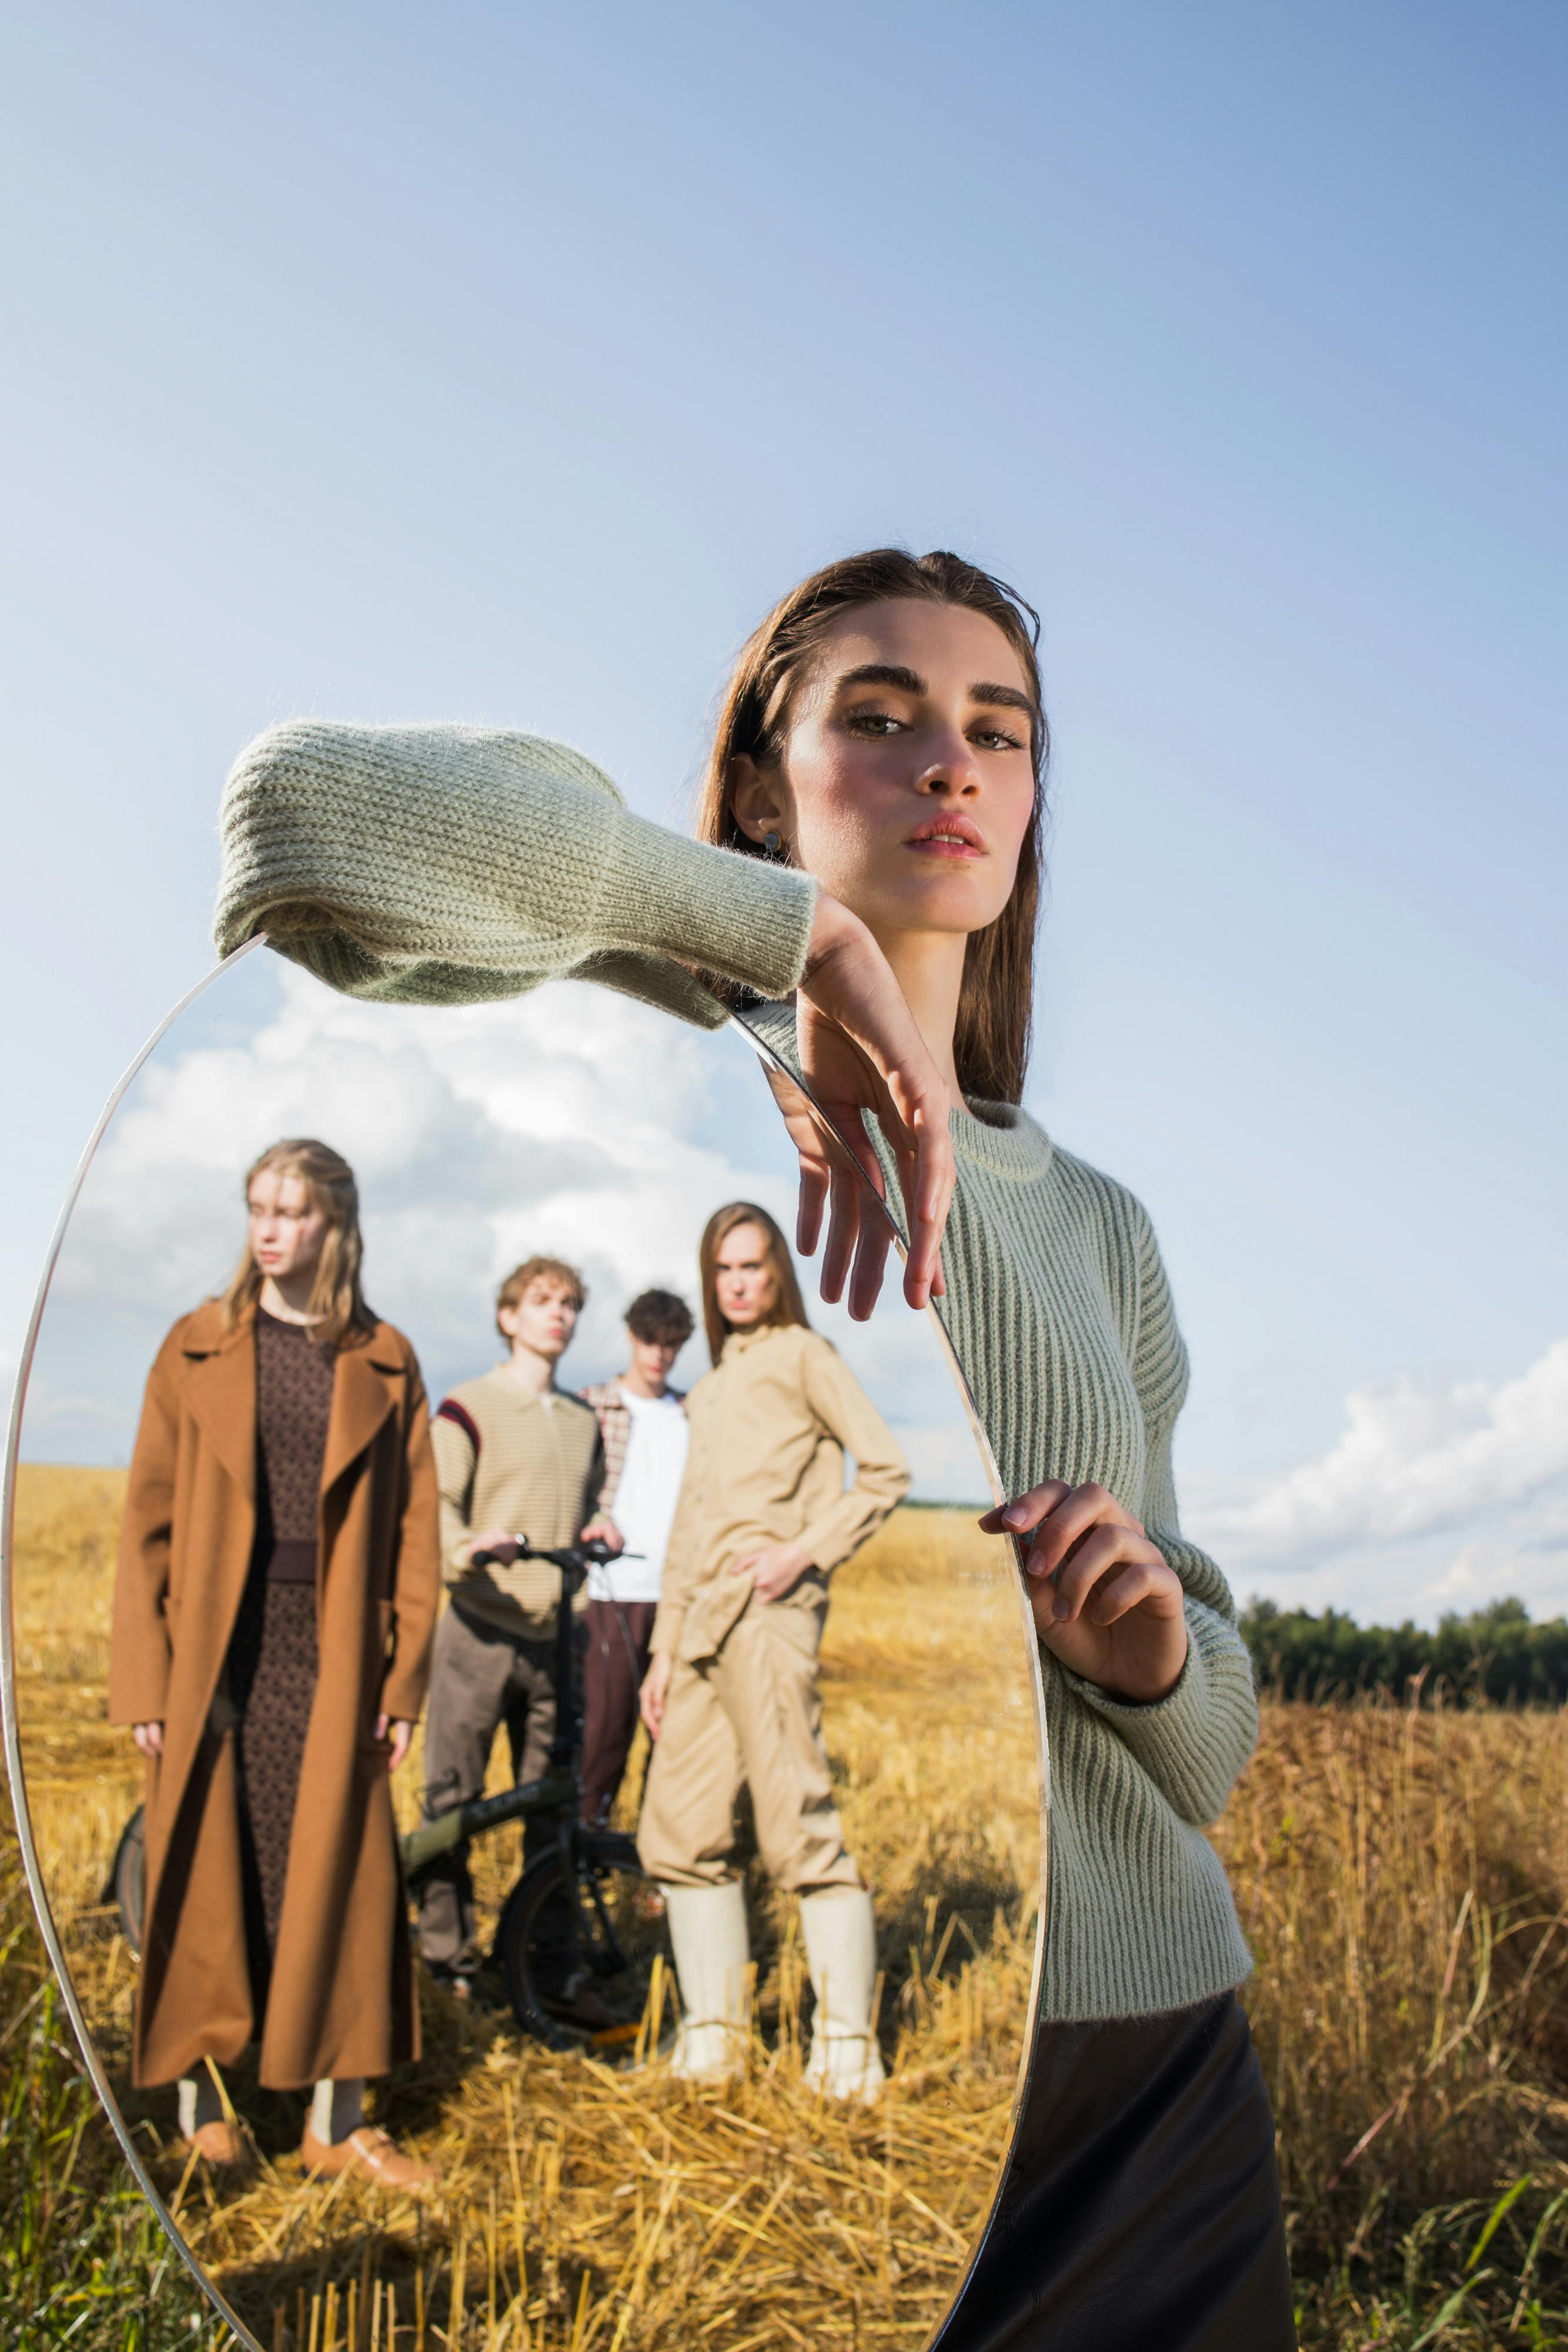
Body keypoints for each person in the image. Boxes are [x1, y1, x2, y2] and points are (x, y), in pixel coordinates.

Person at [215, 545, 1296, 2344]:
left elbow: (1210, 1754)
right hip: (902, 2225)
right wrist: (774, 935)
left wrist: (1156, 1653)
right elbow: (294, 826)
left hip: (1157, 2085)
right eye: (876, 718)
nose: (949, 764)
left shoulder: (1099, 1226)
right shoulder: (669, 1095)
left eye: (996, 730)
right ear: (753, 789)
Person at [109, 1138, 440, 2192]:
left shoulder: (384, 1356)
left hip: (334, 1649)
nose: (266, 1229)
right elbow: (144, 1527)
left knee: (338, 1875)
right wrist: (147, 1680)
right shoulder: (195, 1345)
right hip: (219, 1649)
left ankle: (334, 2124)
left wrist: (399, 1683)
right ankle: (207, 2114)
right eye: (257, 1206)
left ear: (333, 1226)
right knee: (210, 1868)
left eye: (290, 1211)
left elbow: (417, 1539)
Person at [636, 1204, 908, 2096]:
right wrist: (662, 1656)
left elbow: (884, 1470)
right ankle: (712, 2042)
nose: (740, 1283)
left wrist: (800, 1554)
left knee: (797, 1822)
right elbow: (684, 1535)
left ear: (777, 1273)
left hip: (766, 1613)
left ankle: (844, 2050)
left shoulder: (804, 1356)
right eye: (724, 1270)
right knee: (678, 1829)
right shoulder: (711, 1387)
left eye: (753, 1266)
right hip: (700, 1622)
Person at [418, 1255, 607, 2014]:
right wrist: (465, 1547)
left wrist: (599, 1528)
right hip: (477, 1630)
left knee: (553, 1812)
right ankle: (447, 1965)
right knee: (452, 1800)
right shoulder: (464, 1409)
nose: (555, 1314)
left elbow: (585, 1506)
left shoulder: (581, 1420)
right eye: (539, 1301)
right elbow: (437, 1507)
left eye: (566, 1303)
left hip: (557, 1638)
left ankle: (544, 1967)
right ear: (508, 1317)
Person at [577, 1287, 694, 1826]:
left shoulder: (694, 1414)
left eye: (671, 1344)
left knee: (673, 1734)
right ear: (631, 1336)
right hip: (611, 1594)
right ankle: (586, 1849)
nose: (659, 1354)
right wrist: (591, 1518)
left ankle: (655, 1861)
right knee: (604, 1732)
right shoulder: (589, 1405)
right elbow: (567, 1490)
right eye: (650, 1340)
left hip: (678, 1597)